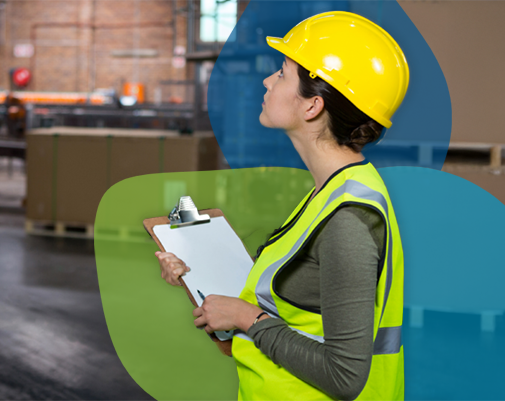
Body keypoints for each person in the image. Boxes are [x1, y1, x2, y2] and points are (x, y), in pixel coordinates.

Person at [155, 11, 407, 401]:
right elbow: (294, 305)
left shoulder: (347, 221)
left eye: (283, 73)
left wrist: (244, 317)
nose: (267, 80)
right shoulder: (331, 192)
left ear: (312, 107)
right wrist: (198, 275)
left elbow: (345, 376)